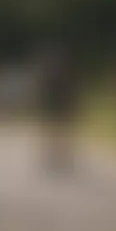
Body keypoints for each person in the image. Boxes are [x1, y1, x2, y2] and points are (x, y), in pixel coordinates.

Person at [37, 39, 79, 172]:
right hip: (56, 102)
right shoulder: (53, 75)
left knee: (59, 128)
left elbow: (70, 89)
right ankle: (55, 153)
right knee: (55, 128)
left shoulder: (61, 74)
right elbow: (45, 90)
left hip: (60, 102)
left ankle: (60, 154)